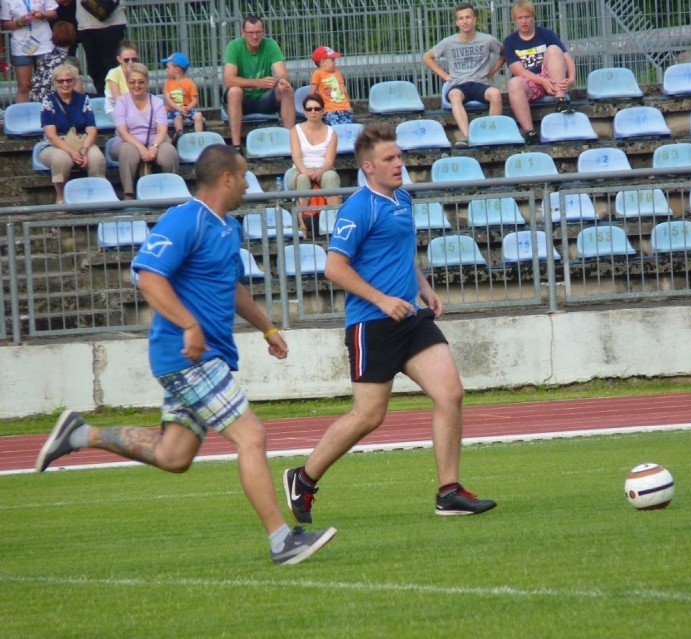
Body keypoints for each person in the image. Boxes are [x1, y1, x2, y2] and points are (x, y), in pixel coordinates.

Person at [35, 144, 337, 566]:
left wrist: (267, 328)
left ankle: (80, 435)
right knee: (252, 437)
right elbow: (147, 277)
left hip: (203, 356)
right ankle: (282, 540)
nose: (250, 183)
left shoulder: (227, 228)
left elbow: (231, 287)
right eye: (245, 175)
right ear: (227, 178)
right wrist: (190, 326)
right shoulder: (184, 220)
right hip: (189, 355)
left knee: (173, 457)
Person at [284, 123, 497, 523]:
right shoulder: (358, 207)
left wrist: (424, 288)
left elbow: (400, 253)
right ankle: (303, 478)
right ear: (368, 167)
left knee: (450, 393)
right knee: (369, 416)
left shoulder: (402, 199)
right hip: (372, 324)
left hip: (411, 319)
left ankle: (448, 492)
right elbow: (333, 267)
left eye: (399, 156)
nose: (399, 163)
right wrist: (382, 300)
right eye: (390, 159)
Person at [423, 2, 504, 149]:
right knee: (454, 95)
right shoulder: (448, 42)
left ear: (475, 20)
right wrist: (444, 75)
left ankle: (491, 135)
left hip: (480, 83)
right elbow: (427, 57)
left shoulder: (488, 40)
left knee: (496, 94)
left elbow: (504, 54)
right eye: (461, 18)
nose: (465, 21)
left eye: (468, 17)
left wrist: (491, 71)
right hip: (459, 84)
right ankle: (467, 137)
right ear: (456, 22)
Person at [504, 0, 576, 143]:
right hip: (530, 82)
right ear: (515, 20)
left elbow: (566, 57)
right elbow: (518, 70)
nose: (524, 21)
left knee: (554, 49)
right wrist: (542, 81)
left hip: (551, 79)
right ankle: (530, 132)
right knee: (513, 83)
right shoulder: (510, 41)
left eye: (527, 17)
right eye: (520, 18)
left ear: (533, 17)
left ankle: (561, 100)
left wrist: (572, 78)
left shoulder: (546, 34)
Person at [223, 14, 295, 152]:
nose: (254, 36)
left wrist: (281, 81)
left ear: (264, 32)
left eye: (258, 32)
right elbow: (228, 80)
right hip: (243, 100)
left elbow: (282, 72)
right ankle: (236, 146)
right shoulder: (234, 46)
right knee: (234, 91)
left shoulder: (271, 44)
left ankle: (290, 142)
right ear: (243, 33)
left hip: (265, 98)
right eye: (250, 33)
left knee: (287, 89)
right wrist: (258, 83)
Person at [38, 63, 105, 204]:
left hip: (82, 141)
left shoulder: (84, 100)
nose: (65, 83)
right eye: (60, 81)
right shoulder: (48, 101)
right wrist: (72, 152)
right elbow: (51, 135)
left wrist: (84, 149)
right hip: (56, 145)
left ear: (74, 81)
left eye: (68, 80)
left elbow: (92, 130)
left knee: (97, 158)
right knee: (60, 159)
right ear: (55, 83)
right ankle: (61, 197)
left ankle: (98, 195)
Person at [110, 63, 178, 200]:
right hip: (127, 141)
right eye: (132, 82)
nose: (136, 85)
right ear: (127, 83)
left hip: (155, 140)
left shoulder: (157, 102)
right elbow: (123, 132)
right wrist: (141, 148)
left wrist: (154, 147)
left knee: (169, 152)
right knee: (128, 151)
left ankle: (174, 190)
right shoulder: (122, 102)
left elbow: (162, 130)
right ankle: (128, 194)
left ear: (147, 83)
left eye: (141, 82)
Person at [287, 93, 342, 238]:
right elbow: (297, 156)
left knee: (330, 177)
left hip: (323, 169)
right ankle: (302, 224)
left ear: (323, 111)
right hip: (299, 169)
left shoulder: (332, 133)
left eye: (317, 109)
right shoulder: (296, 130)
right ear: (305, 112)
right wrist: (305, 170)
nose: (313, 112)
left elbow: (329, 160)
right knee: (303, 179)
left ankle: (335, 225)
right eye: (309, 109)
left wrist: (320, 171)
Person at [0, 0, 58, 103]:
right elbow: (5, 24)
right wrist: (21, 22)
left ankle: (49, 114)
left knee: (48, 83)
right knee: (24, 86)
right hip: (20, 44)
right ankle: (23, 117)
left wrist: (42, 14)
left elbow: (53, 13)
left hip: (44, 43)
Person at [75, 0, 126, 98]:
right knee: (94, 68)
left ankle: (118, 96)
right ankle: (102, 96)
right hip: (86, 24)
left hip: (112, 23)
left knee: (113, 65)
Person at [30, 19, 81, 102]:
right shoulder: (71, 61)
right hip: (57, 102)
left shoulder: (44, 59)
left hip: (38, 101)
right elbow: (77, 90)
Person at [161, 51, 204, 144]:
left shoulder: (189, 83)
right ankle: (180, 137)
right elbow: (168, 99)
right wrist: (178, 108)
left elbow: (195, 100)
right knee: (178, 117)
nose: (166, 70)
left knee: (198, 115)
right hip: (174, 109)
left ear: (177, 70)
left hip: (187, 108)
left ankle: (199, 138)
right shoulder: (168, 83)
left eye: (168, 67)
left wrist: (187, 108)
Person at [309, 45, 353, 125]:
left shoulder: (337, 72)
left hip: (345, 108)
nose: (335, 63)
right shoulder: (317, 73)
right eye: (332, 60)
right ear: (323, 62)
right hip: (330, 109)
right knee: (335, 129)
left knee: (348, 129)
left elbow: (343, 89)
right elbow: (312, 93)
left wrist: (349, 105)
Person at [103, 39, 136, 114]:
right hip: (116, 110)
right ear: (119, 59)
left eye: (134, 59)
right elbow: (118, 101)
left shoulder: (138, 72)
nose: (130, 62)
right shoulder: (113, 73)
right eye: (126, 60)